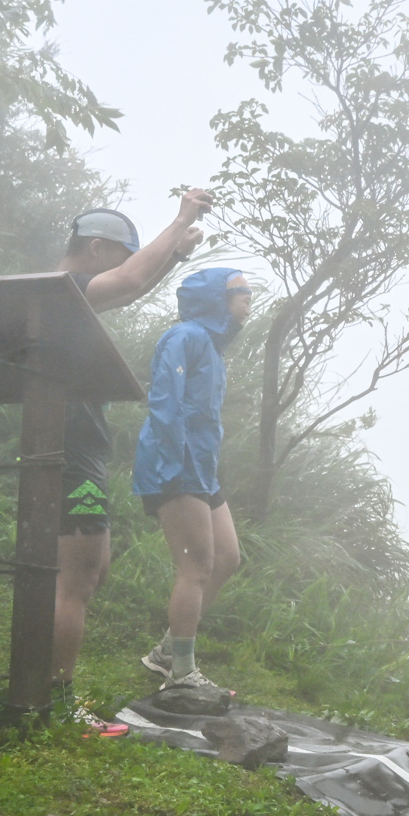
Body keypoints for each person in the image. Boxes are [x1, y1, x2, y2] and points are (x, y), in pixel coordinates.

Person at [50, 192, 213, 734]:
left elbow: (132, 281)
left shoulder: (60, 296)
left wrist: (176, 252)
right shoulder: (65, 290)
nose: (124, 268)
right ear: (96, 249)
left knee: (89, 571)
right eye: (119, 256)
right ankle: (53, 703)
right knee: (74, 579)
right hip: (72, 451)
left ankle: (48, 692)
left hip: (75, 448)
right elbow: (131, 283)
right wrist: (182, 218)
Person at [134, 268, 254, 698]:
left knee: (227, 558)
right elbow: (165, 402)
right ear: (214, 299)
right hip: (176, 461)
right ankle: (181, 672)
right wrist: (173, 464)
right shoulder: (183, 336)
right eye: (240, 291)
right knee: (197, 564)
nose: (249, 298)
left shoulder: (212, 346)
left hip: (201, 467)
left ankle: (168, 649)